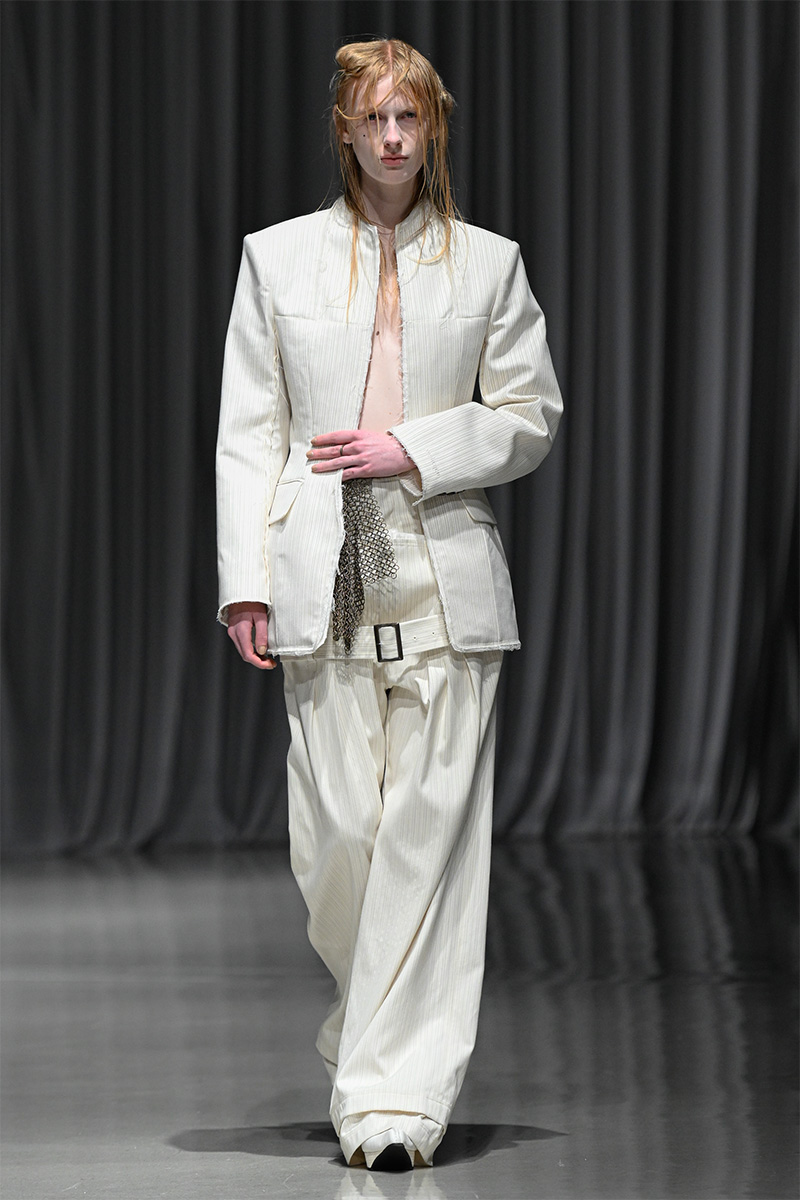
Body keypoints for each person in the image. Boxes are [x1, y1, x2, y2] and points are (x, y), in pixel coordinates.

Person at [216, 37, 562, 1172]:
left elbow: (530, 414)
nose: (395, 139)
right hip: (319, 576)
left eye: (411, 118)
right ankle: (370, 1021)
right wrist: (244, 581)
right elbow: (250, 431)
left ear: (434, 127)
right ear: (346, 129)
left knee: (427, 847)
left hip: (444, 579)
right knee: (338, 846)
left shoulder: (489, 265)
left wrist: (411, 446)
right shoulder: (276, 260)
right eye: (375, 119)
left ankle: (393, 1105)